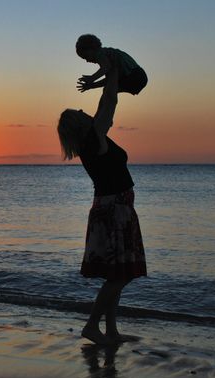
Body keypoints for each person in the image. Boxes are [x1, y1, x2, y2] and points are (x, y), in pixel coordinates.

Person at [57, 65, 147, 345]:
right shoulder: (94, 140)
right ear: (80, 124)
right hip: (114, 212)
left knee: (117, 274)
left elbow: (107, 104)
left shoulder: (92, 141)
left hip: (114, 209)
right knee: (119, 277)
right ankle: (92, 326)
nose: (86, 113)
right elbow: (109, 102)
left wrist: (109, 78)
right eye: (81, 114)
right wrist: (113, 77)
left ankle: (111, 330)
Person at [75, 34, 147, 95]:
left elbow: (106, 67)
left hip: (135, 75)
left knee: (109, 90)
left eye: (86, 56)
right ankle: (104, 110)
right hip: (138, 77)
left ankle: (105, 111)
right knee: (109, 88)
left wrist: (92, 78)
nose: (87, 60)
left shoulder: (100, 53)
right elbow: (109, 79)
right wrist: (91, 86)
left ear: (91, 48)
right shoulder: (108, 57)